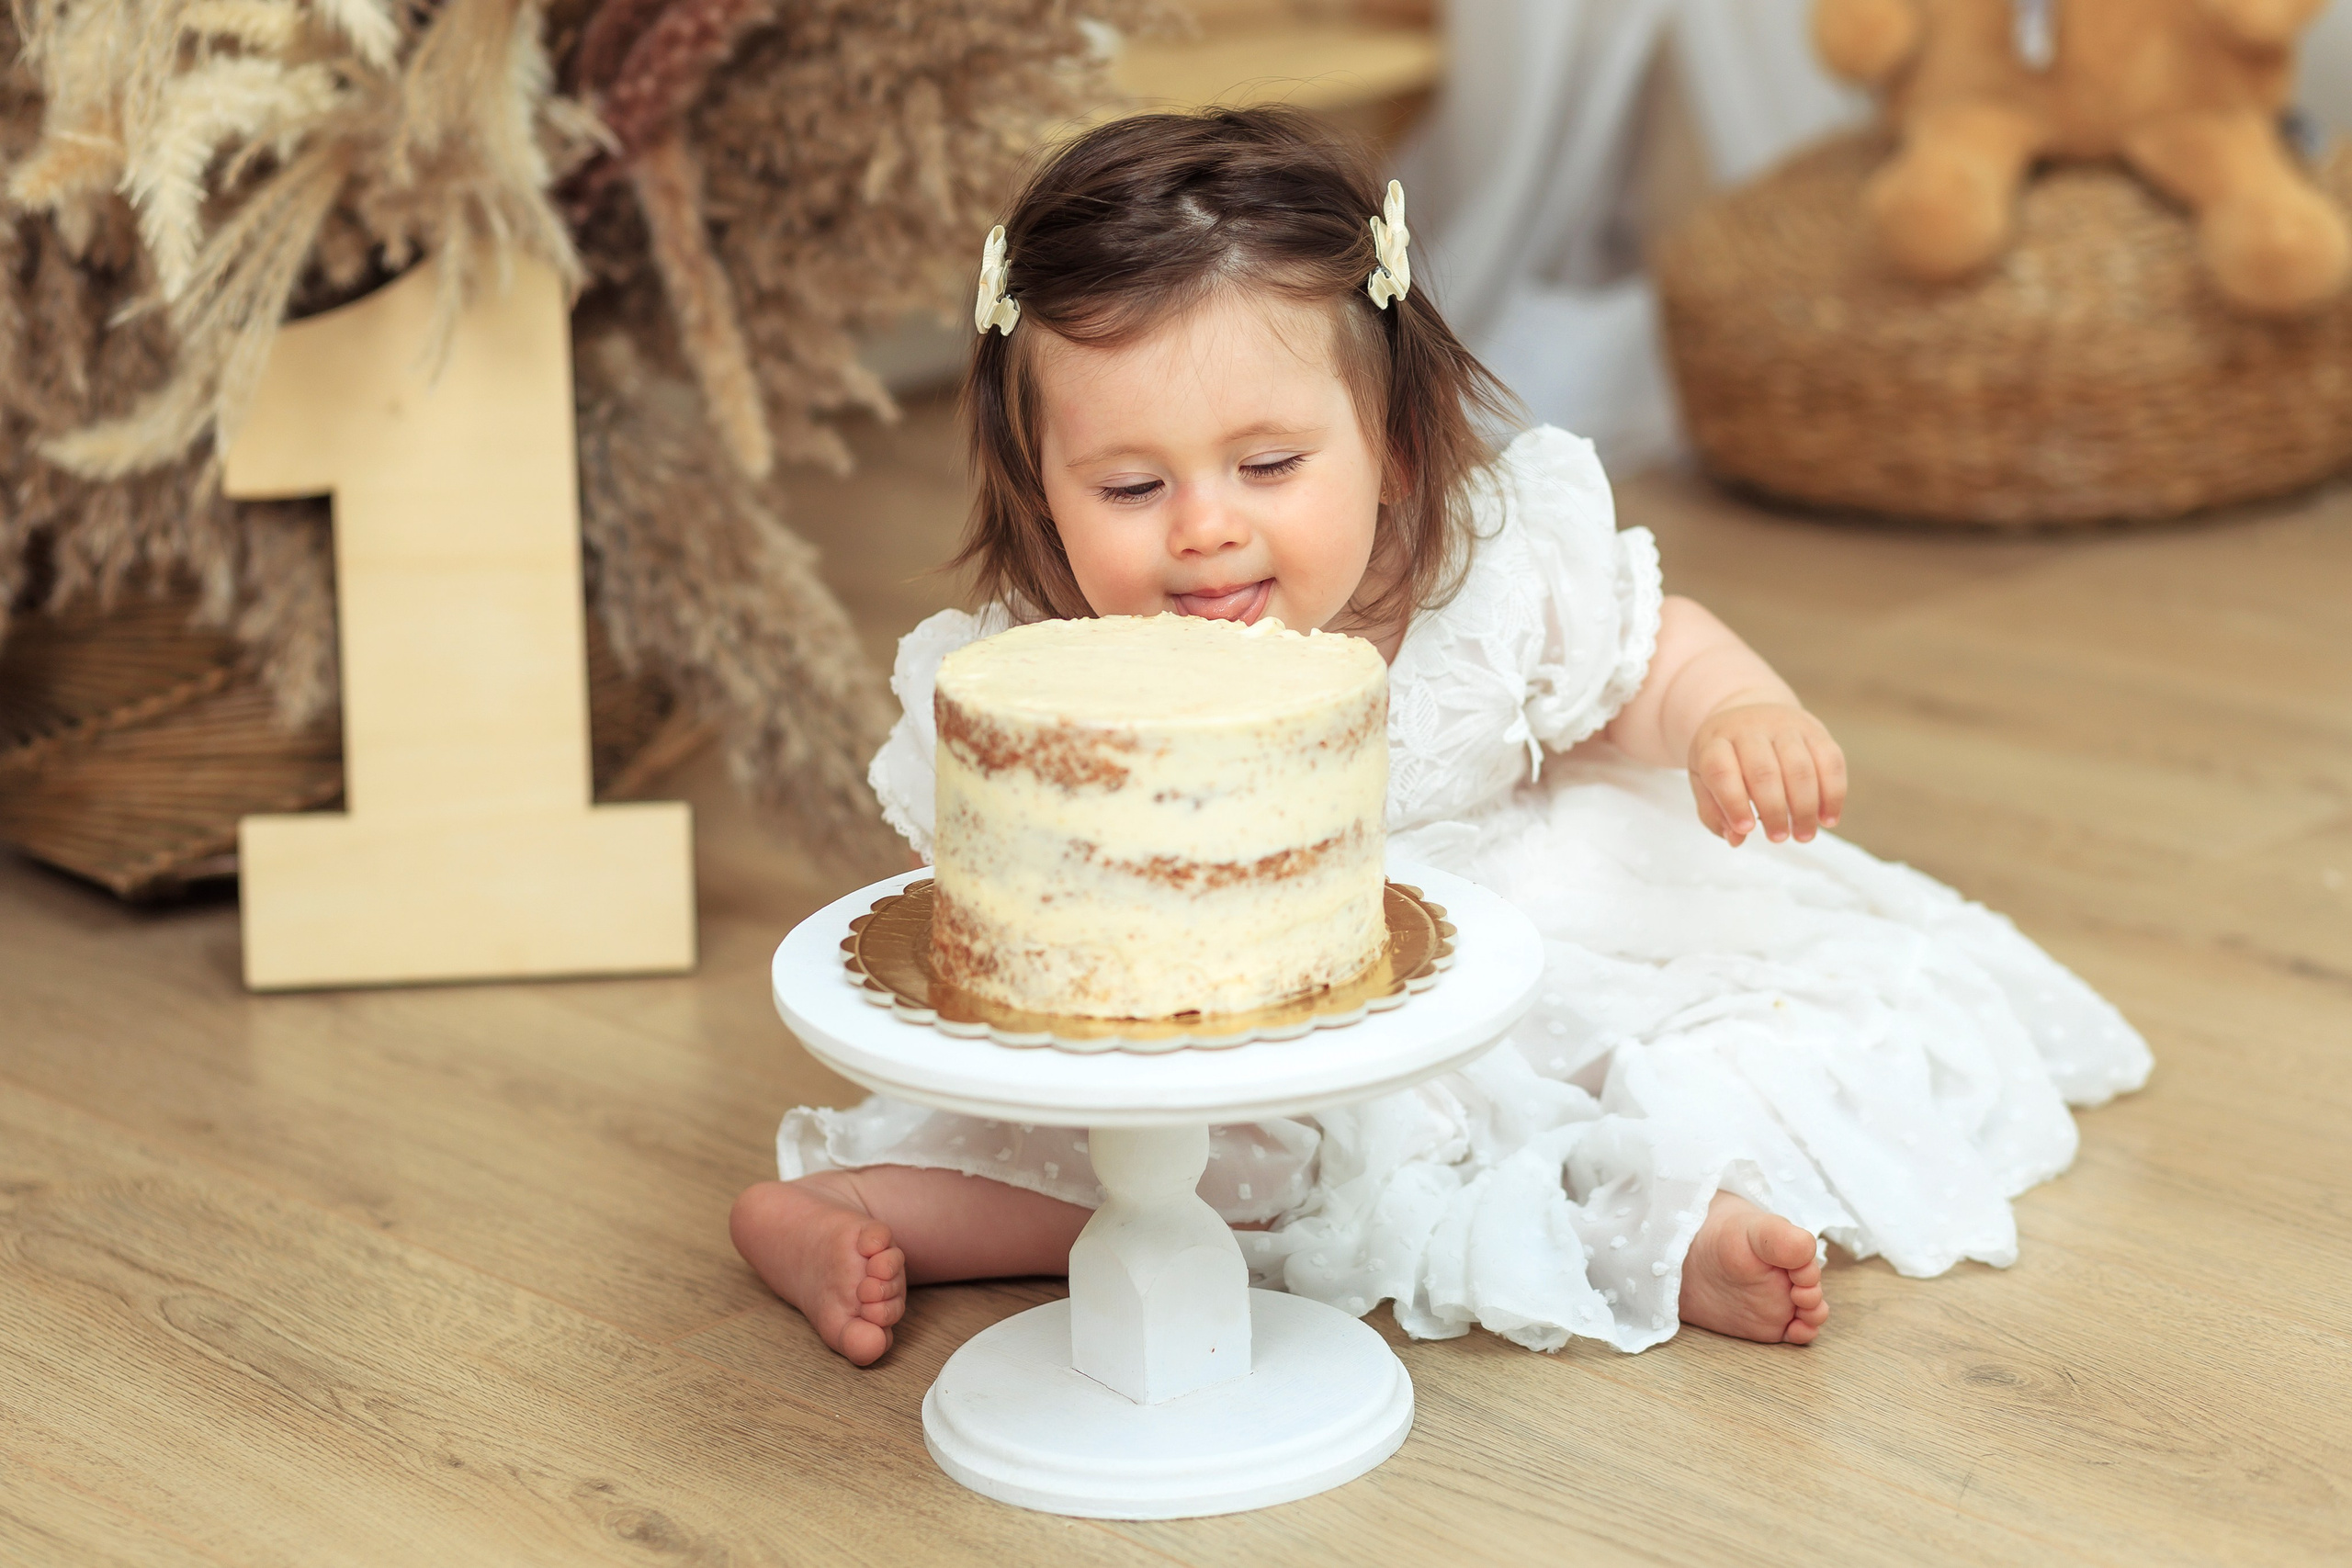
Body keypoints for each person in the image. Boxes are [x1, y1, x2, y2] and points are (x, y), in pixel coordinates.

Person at [729, 107, 2152, 1368]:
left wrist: (1734, 713)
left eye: (1270, 465)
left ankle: (1673, 1232)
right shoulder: (1040, 674)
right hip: (1215, 1015)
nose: (1205, 524)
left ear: (1394, 446)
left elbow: (1649, 649)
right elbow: (1007, 865)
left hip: (1496, 940)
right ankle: (856, 1211)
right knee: (1158, 1158)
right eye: (1127, 484)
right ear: (1043, 492)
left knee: (1626, 1069)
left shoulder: (1484, 575)